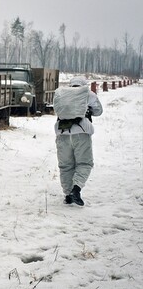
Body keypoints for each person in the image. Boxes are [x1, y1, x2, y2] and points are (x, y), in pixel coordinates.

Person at [54, 76, 103, 206]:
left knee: (65, 166)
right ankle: (76, 189)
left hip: (62, 133)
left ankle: (67, 195)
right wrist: (88, 110)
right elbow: (99, 111)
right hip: (81, 133)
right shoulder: (87, 93)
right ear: (83, 84)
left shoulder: (61, 93)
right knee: (84, 163)